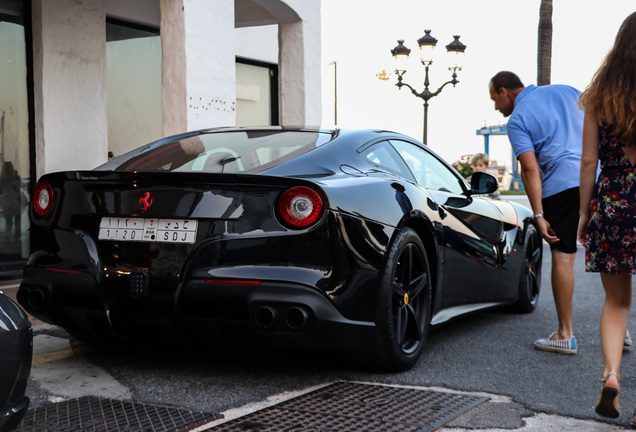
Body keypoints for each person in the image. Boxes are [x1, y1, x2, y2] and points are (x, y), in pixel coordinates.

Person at [488, 71, 583, 354]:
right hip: (598, 178)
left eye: (494, 99)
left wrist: (539, 215)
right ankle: (617, 327)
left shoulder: (517, 119)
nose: (495, 107)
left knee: (564, 257)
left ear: (505, 92)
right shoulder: (567, 91)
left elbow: (530, 170)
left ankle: (565, 334)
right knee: (604, 252)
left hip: (562, 185)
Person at [577, 11, 636, 422]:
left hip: (613, 199)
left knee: (617, 300)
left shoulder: (599, 96)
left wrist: (584, 214)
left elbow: (587, 161)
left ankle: (611, 376)